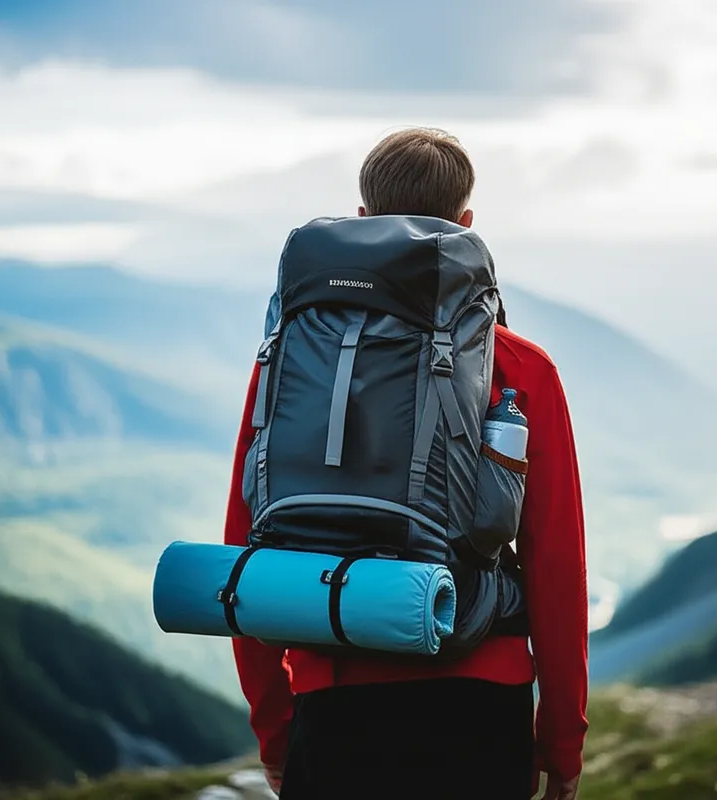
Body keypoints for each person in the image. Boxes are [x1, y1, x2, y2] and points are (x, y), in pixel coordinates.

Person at [224, 127, 588, 800]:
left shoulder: (285, 359)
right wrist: (561, 741)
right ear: (467, 224)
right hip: (480, 698)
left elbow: (248, 546)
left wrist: (275, 730)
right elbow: (554, 564)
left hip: (333, 699)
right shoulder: (521, 368)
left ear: (364, 220)